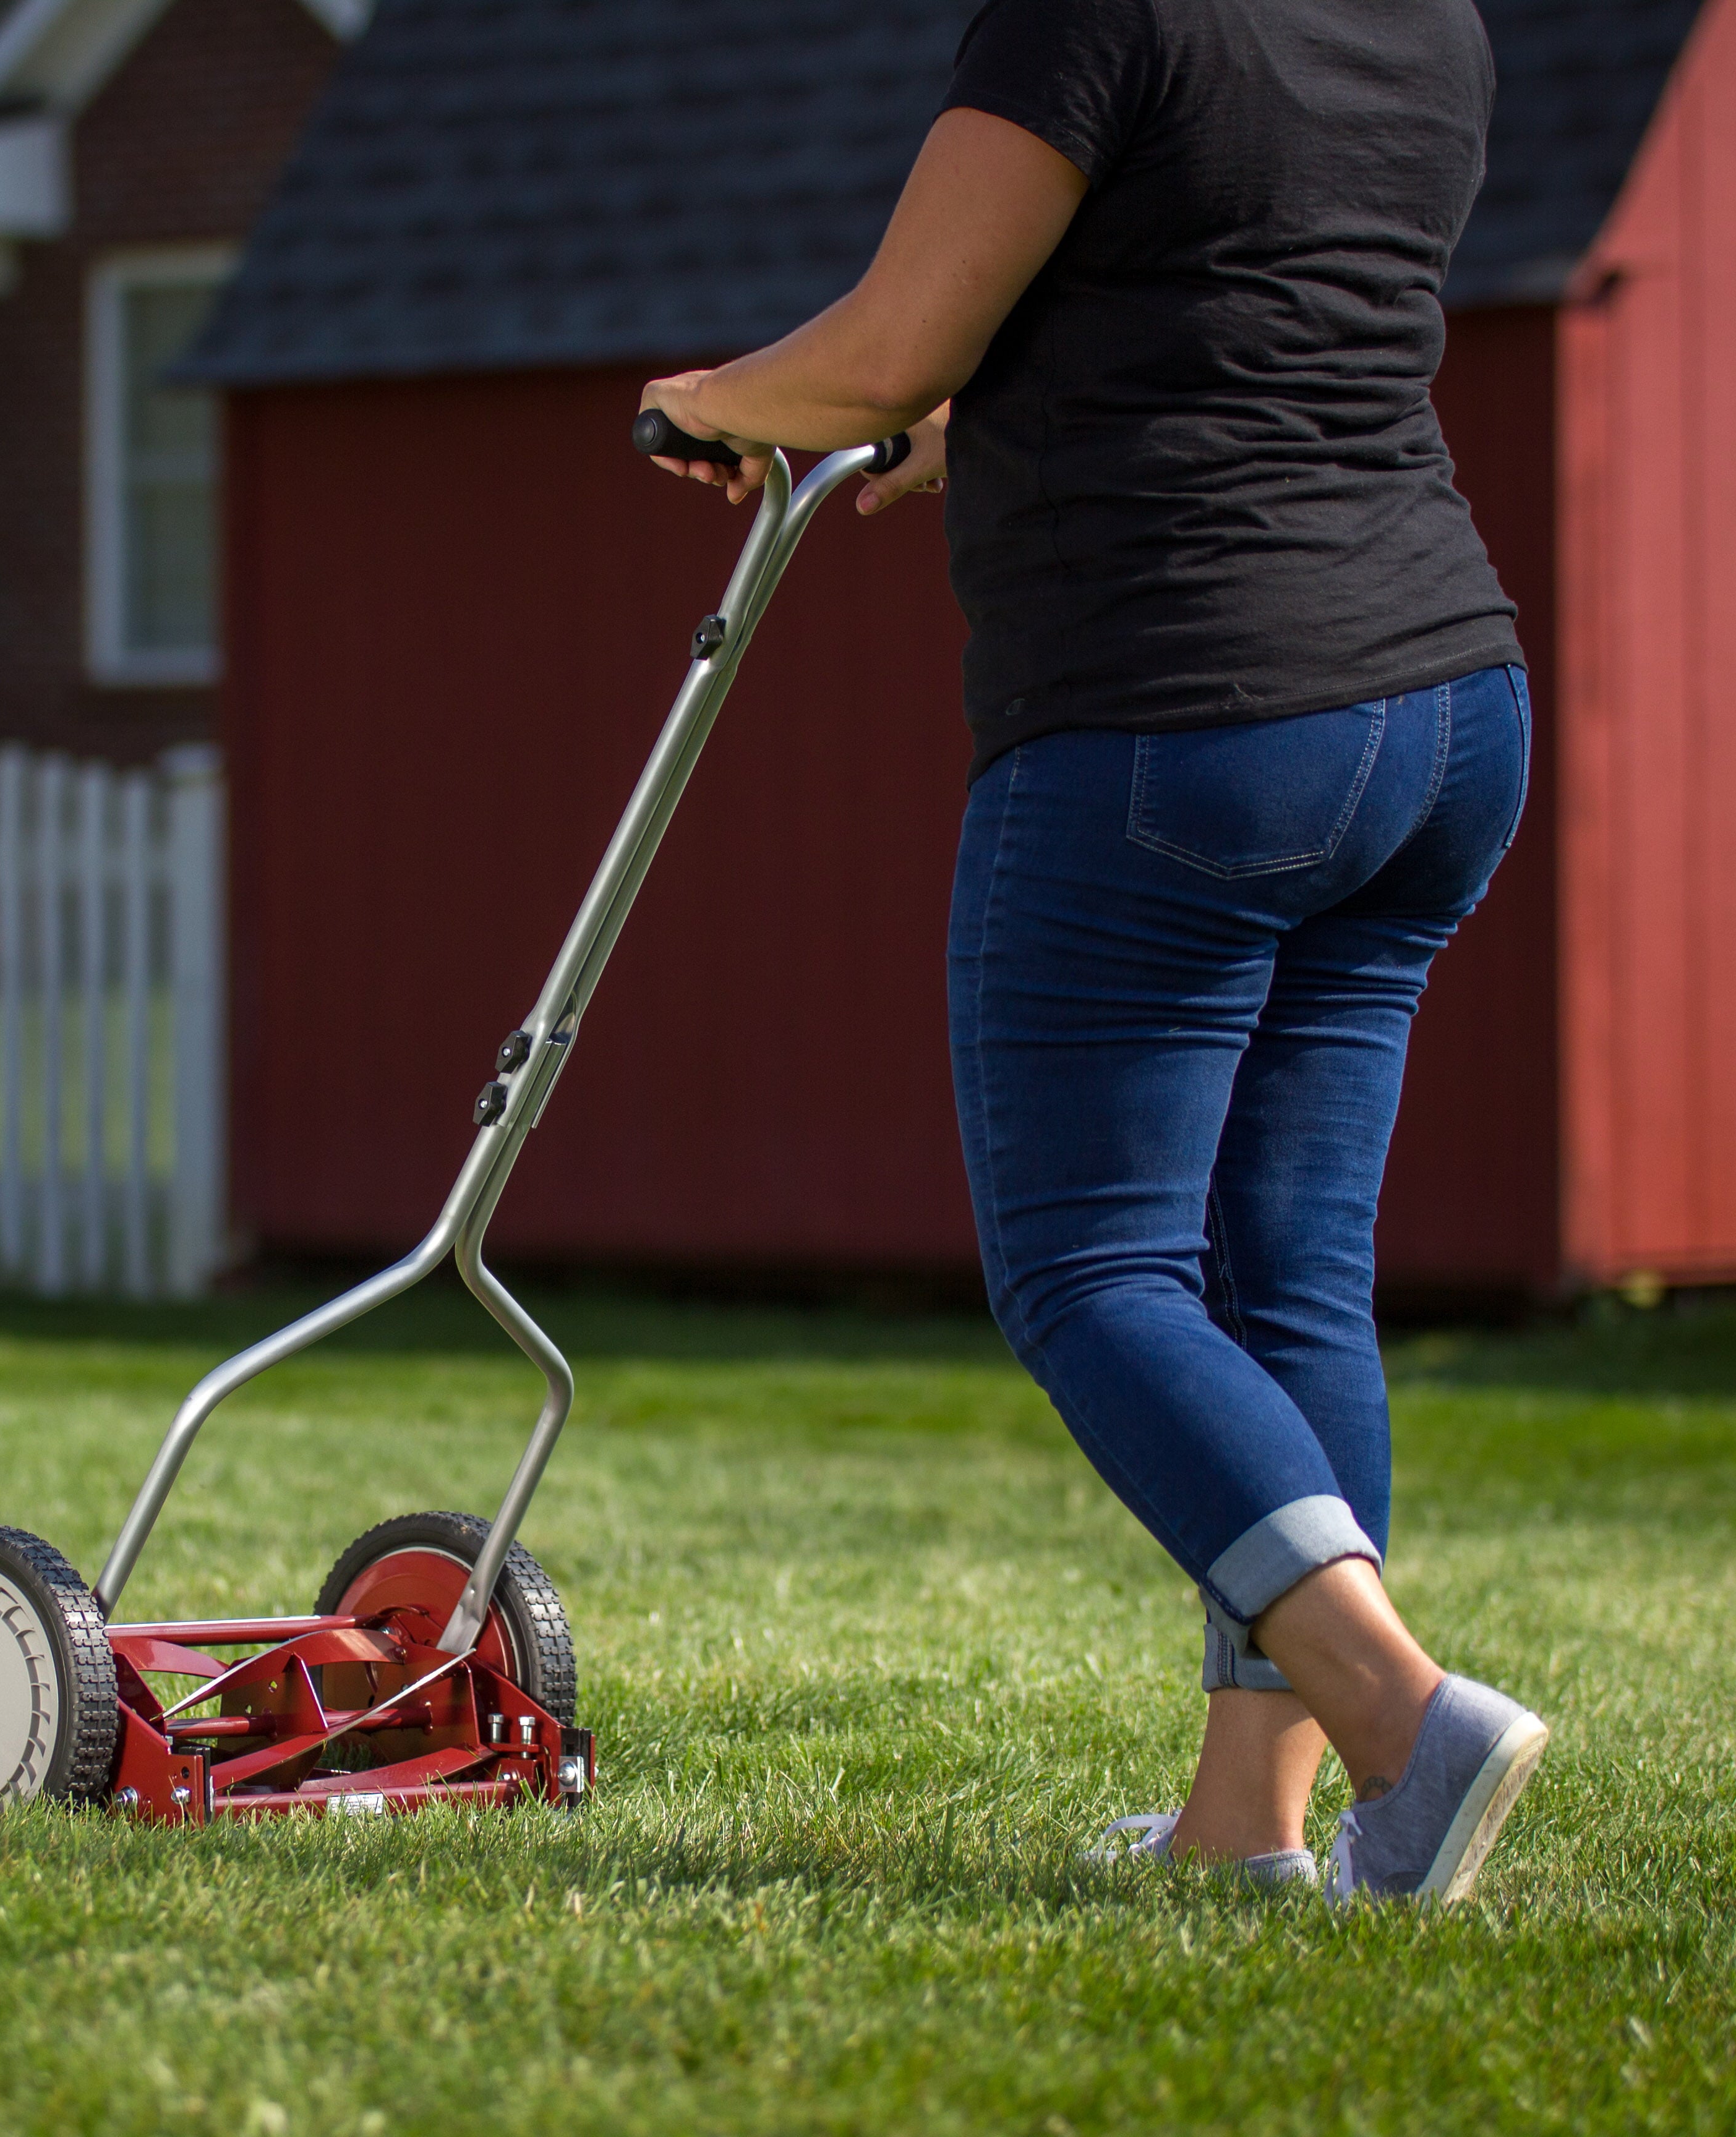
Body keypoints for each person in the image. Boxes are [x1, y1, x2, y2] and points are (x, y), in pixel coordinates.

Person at [638, 0, 1547, 1905]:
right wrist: (979, 426)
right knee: (1289, 1278)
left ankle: (1406, 1723)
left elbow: (891, 338)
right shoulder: (1429, 22)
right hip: (1442, 707)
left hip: (1188, 712)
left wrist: (715, 399)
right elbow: (1239, 299)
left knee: (1094, 1268)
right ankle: (1258, 1830)